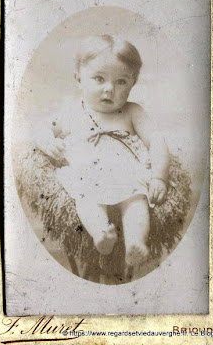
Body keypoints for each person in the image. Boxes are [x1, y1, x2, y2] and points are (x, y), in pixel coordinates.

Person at [34, 35, 169, 267]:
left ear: (133, 83)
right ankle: (102, 233)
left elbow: (156, 141)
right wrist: (48, 141)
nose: (109, 89)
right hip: (87, 173)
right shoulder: (72, 111)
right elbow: (41, 128)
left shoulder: (132, 112)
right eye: (99, 79)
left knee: (137, 200)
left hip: (126, 174)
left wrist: (159, 177)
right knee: (86, 197)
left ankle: (136, 243)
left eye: (121, 82)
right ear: (79, 79)